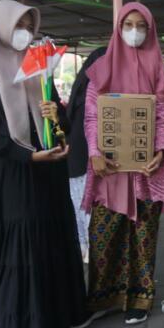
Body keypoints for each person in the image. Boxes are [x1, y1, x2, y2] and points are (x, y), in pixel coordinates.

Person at [0, 0, 87, 328]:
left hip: (47, 171)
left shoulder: (35, 69)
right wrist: (26, 155)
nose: (25, 31)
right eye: (18, 24)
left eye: (29, 24)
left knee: (52, 234)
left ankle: (59, 317)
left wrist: (55, 113)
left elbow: (61, 121)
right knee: (23, 238)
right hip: (11, 175)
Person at [81, 2, 164, 325]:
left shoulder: (156, 68)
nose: (134, 31)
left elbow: (162, 117)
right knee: (103, 234)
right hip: (110, 170)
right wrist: (94, 151)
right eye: (128, 24)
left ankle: (140, 297)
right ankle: (103, 297)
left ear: (150, 31)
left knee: (144, 235)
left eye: (141, 25)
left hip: (147, 171)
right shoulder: (103, 67)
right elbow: (92, 114)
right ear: (118, 28)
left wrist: (161, 151)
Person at [67, 46, 107, 262]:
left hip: (77, 166)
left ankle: (87, 251)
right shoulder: (93, 97)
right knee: (89, 214)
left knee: (83, 214)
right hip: (85, 167)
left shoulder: (81, 92)